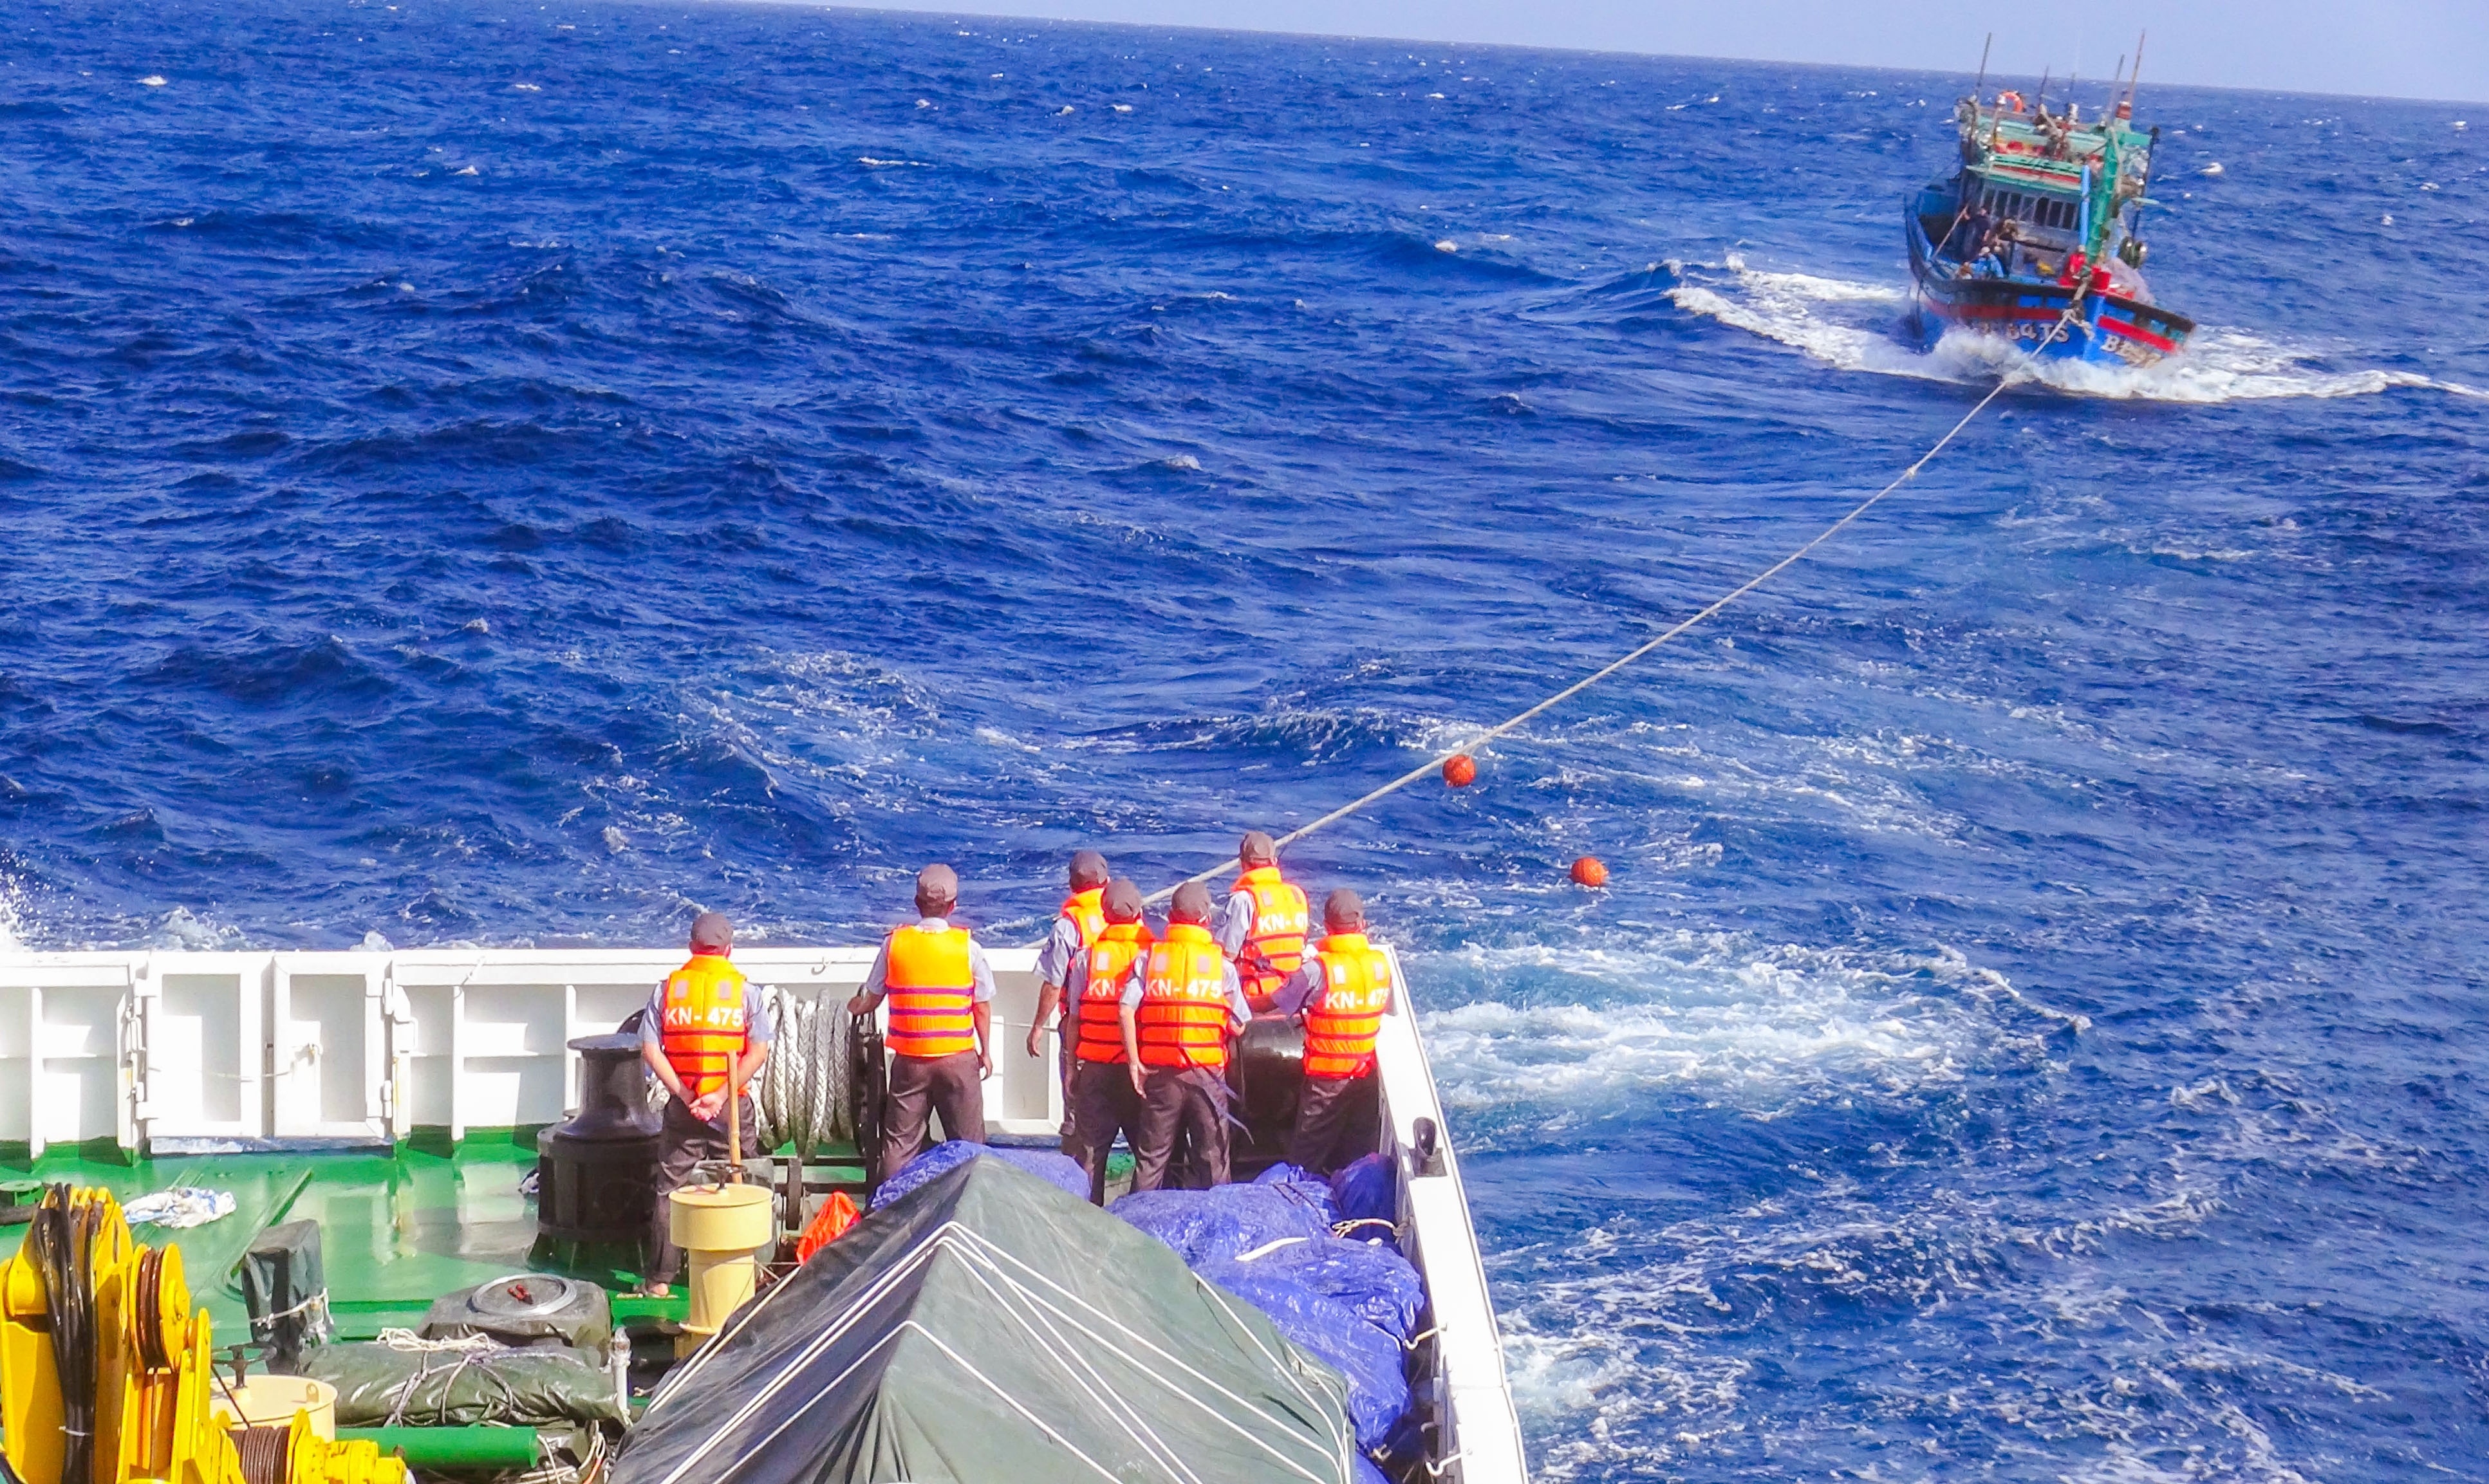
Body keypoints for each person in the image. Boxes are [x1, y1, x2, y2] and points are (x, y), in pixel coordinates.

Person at [639, 911, 772, 1297]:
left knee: (670, 1188)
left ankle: (660, 1279)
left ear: (691, 947)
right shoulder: (747, 993)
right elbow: (758, 1053)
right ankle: (750, 1268)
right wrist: (718, 1097)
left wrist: (687, 1096)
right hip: (729, 1106)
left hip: (685, 1106)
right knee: (747, 1179)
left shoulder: (667, 991)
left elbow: (651, 1049)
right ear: (729, 950)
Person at [848, 864, 996, 1184]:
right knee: (969, 1144)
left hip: (910, 1063)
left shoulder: (894, 945)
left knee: (900, 1144)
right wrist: (985, 1052)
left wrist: (852, 1006)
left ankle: (890, 1212)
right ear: (953, 906)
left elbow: (871, 998)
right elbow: (981, 1007)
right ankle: (969, 1206)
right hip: (958, 1059)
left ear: (917, 903)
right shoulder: (970, 949)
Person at [1121, 881, 1252, 1191]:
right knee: (1212, 1156)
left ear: (1170, 917)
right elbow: (1239, 1025)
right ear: (1207, 919)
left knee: (1152, 1159)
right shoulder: (1222, 967)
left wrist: (1134, 1063)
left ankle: (1139, 1223)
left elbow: (1126, 1010)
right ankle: (1217, 1221)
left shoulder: (1149, 958)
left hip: (1160, 1072)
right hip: (1206, 1073)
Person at [1271, 889, 1395, 1175]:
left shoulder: (1317, 969)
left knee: (1306, 1159)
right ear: (1361, 924)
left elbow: (1278, 1004)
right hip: (1364, 1079)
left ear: (1326, 926)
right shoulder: (1381, 966)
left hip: (1326, 1082)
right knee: (1357, 1157)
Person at [1061, 878, 1155, 1201]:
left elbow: (1075, 1017)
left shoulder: (1087, 958)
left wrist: (1072, 1066)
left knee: (1090, 1155)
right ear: (1139, 911)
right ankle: (1140, 1215)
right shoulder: (1153, 956)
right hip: (1141, 1070)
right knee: (1149, 1153)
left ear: (1104, 913)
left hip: (1096, 1068)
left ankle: (1087, 1221)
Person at [1027, 849, 1110, 1163]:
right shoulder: (1131, 919)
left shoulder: (1068, 926)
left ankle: (1078, 1177)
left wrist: (1037, 1026)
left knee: (1078, 1109)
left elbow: (1053, 982)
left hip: (1083, 1029)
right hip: (1126, 1032)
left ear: (1072, 885)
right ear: (1107, 882)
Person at [1217, 830, 1309, 1012]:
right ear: (1274, 862)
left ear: (1243, 864)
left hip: (1256, 998)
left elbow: (1228, 954)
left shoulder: (1244, 899)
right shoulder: (1298, 895)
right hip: (1293, 996)